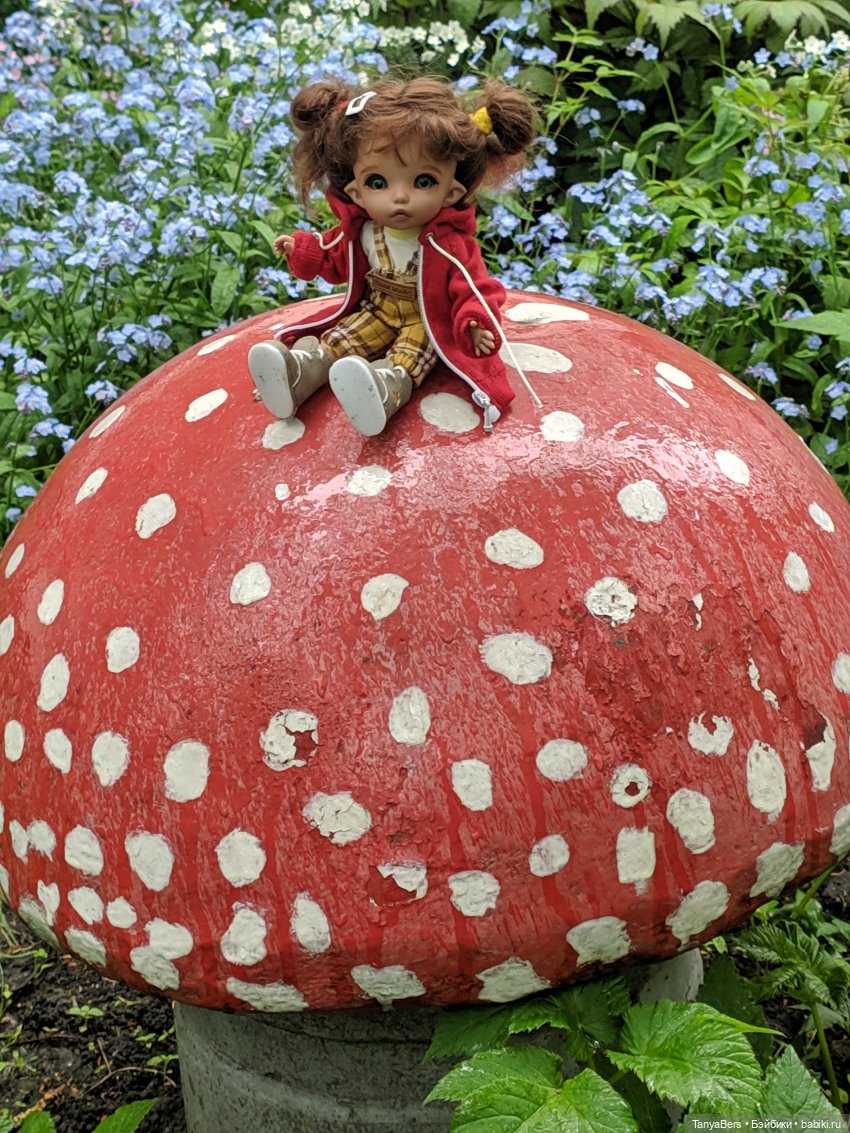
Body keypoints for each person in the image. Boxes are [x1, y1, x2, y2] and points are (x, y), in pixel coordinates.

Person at [247, 76, 538, 436]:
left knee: (409, 357)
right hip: (377, 310)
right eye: (378, 183)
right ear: (356, 191)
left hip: (425, 321)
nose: (399, 197)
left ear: (452, 192)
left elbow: (474, 286)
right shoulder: (364, 232)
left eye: (424, 182)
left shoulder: (448, 245)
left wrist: (473, 322)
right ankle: (301, 373)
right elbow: (334, 256)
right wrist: (303, 250)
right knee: (341, 339)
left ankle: (384, 389)